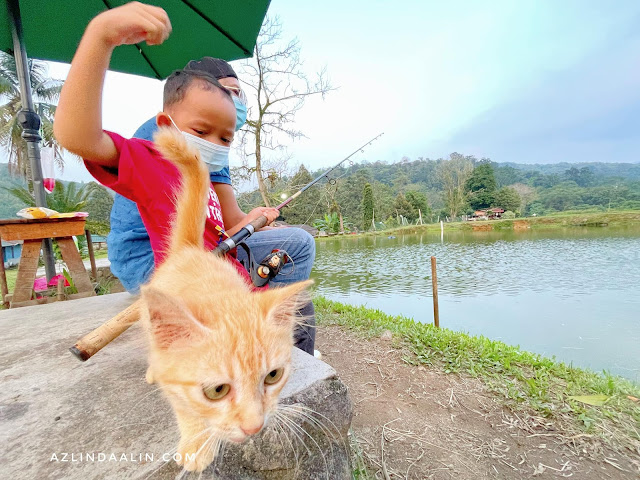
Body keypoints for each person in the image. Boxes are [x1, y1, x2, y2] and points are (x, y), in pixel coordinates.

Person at [53, 2, 316, 353]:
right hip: (191, 288)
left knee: (292, 302)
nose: (214, 144)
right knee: (296, 292)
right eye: (202, 130)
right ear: (167, 126)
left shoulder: (206, 166)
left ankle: (282, 359)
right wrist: (101, 37)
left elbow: (217, 229)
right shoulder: (153, 158)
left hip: (222, 272)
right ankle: (293, 363)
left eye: (225, 137)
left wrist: (252, 224)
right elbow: (78, 137)